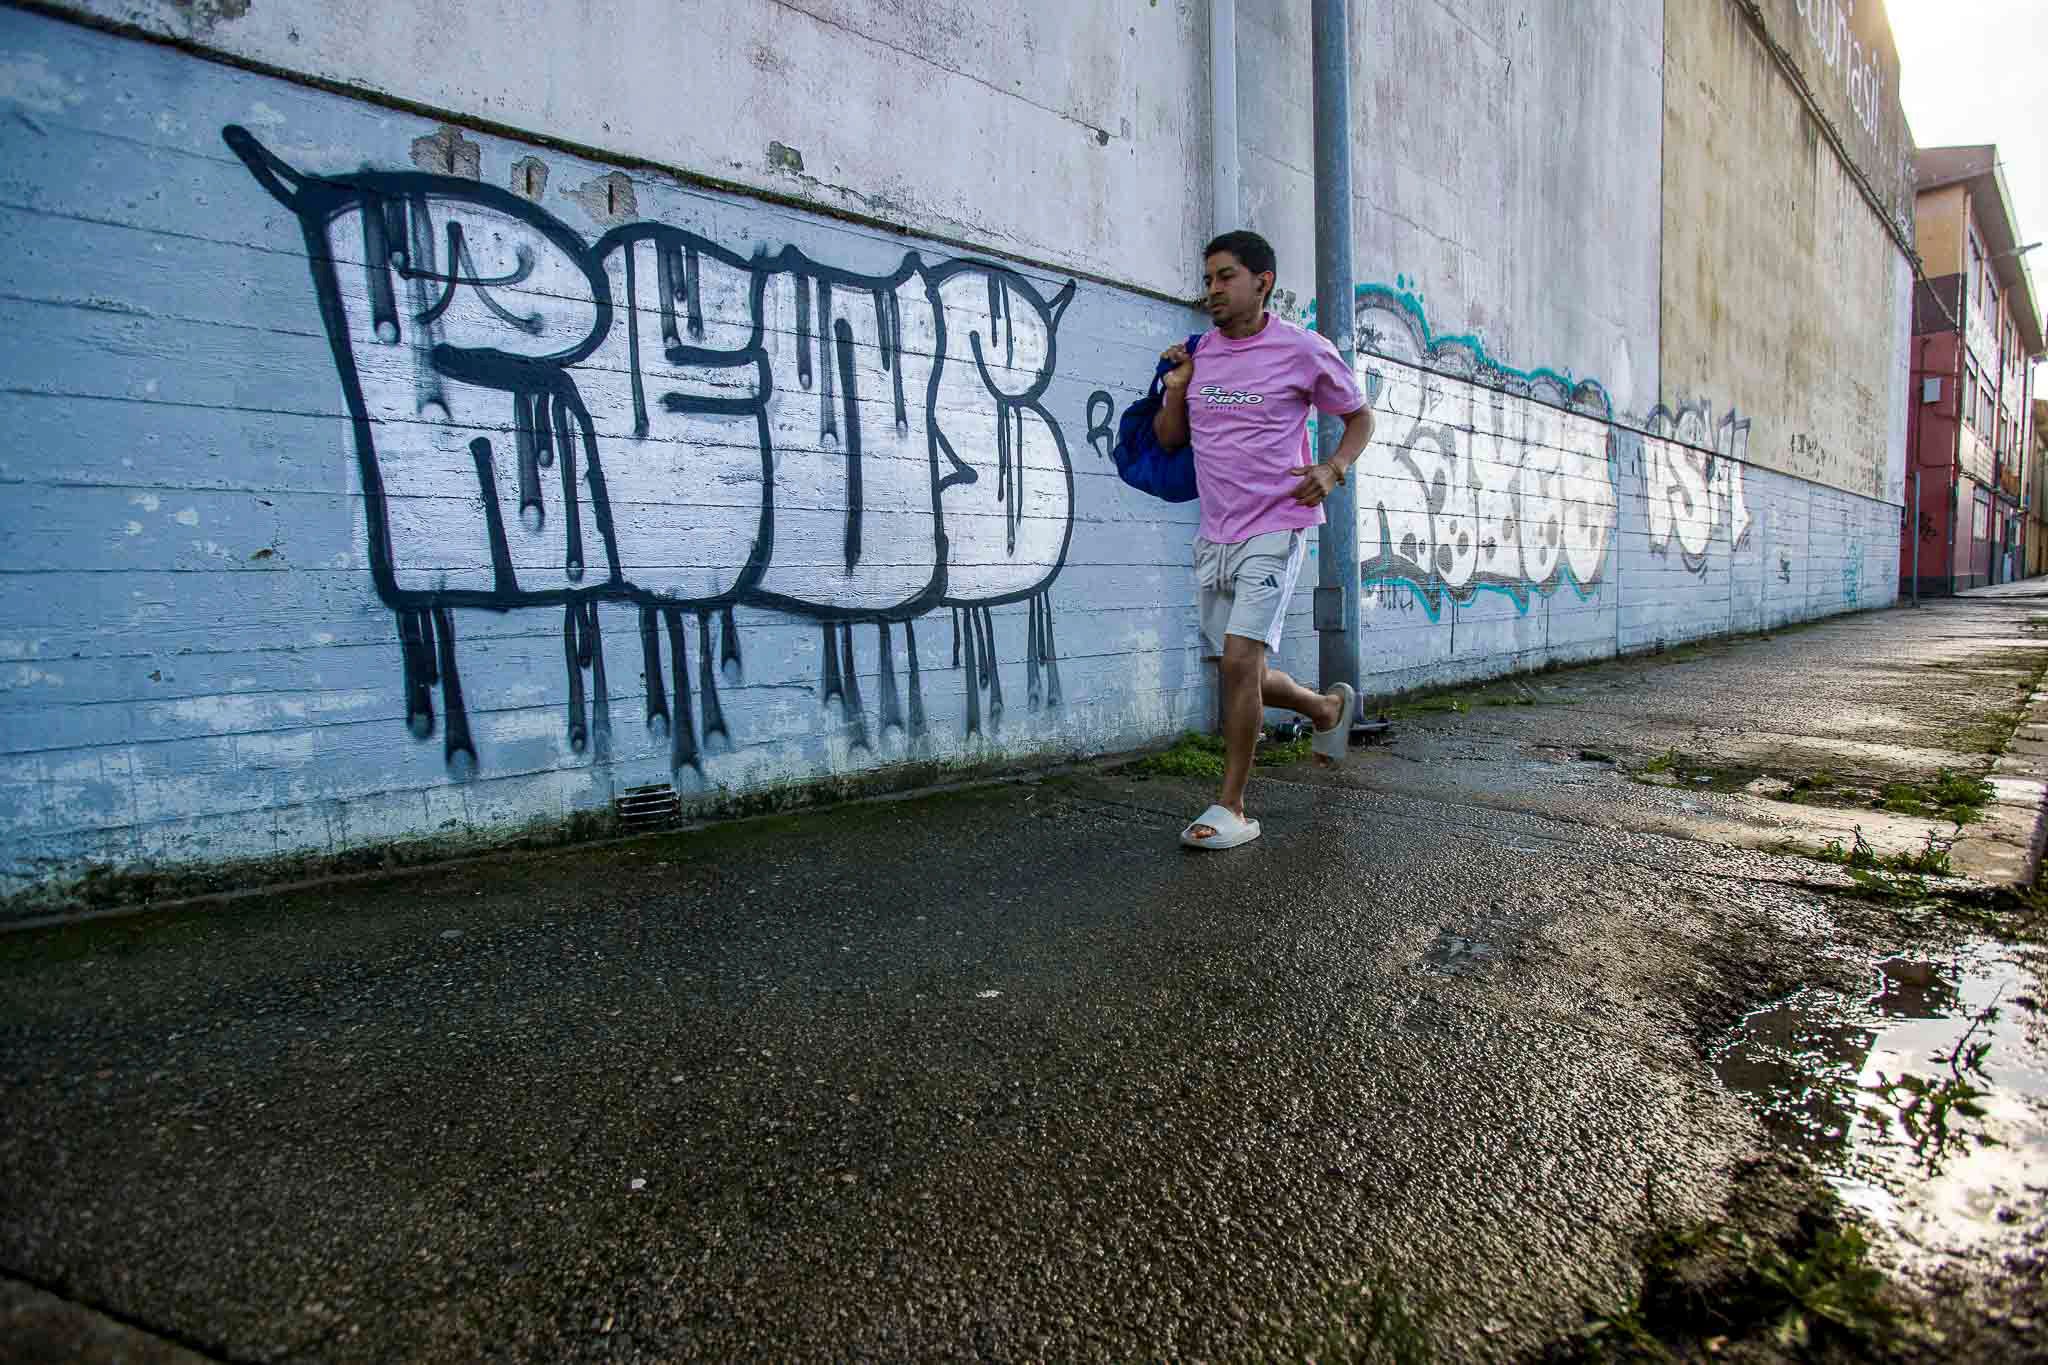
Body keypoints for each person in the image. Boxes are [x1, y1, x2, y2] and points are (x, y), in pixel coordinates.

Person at [1153, 230, 1375, 850]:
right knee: (1237, 667)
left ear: (1262, 282)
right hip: (1215, 531)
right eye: (1209, 279)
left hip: (1277, 524)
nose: (1213, 290)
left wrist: (1332, 469)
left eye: (1225, 277)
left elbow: (1360, 415)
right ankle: (1327, 710)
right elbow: (1172, 440)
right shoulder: (1201, 353)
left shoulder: (1303, 350)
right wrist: (1177, 389)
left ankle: (1233, 807)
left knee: (1240, 661)